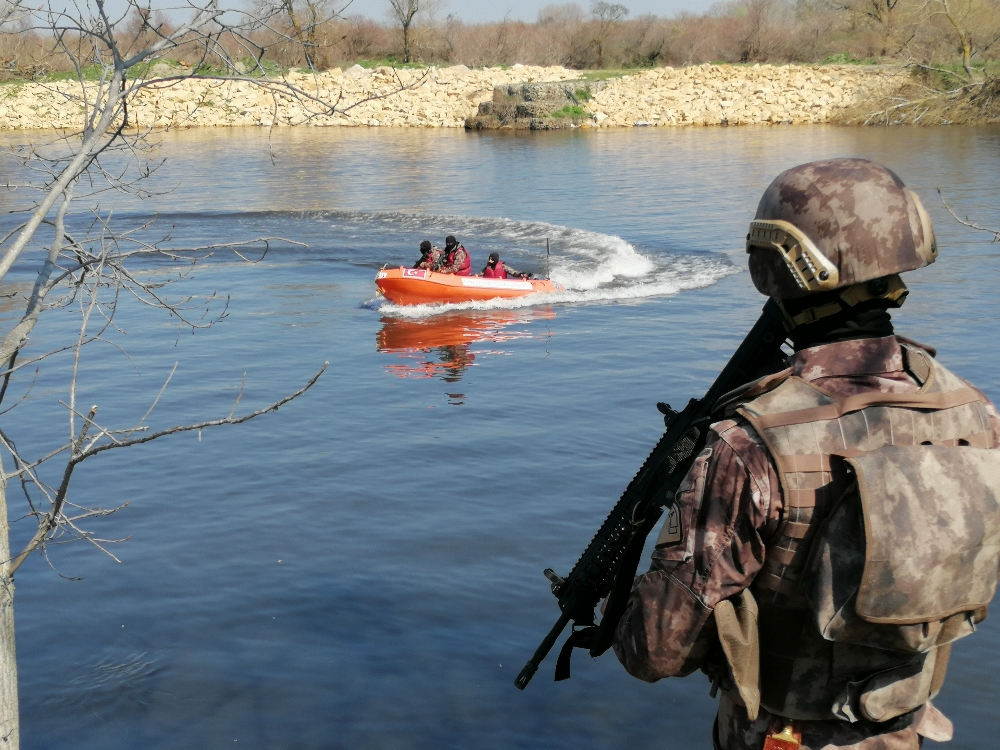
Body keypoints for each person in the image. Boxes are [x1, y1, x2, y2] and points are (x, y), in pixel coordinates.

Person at [611, 158, 1000, 750]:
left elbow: (656, 651)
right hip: (906, 731)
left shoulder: (750, 446)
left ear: (779, 269)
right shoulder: (975, 415)